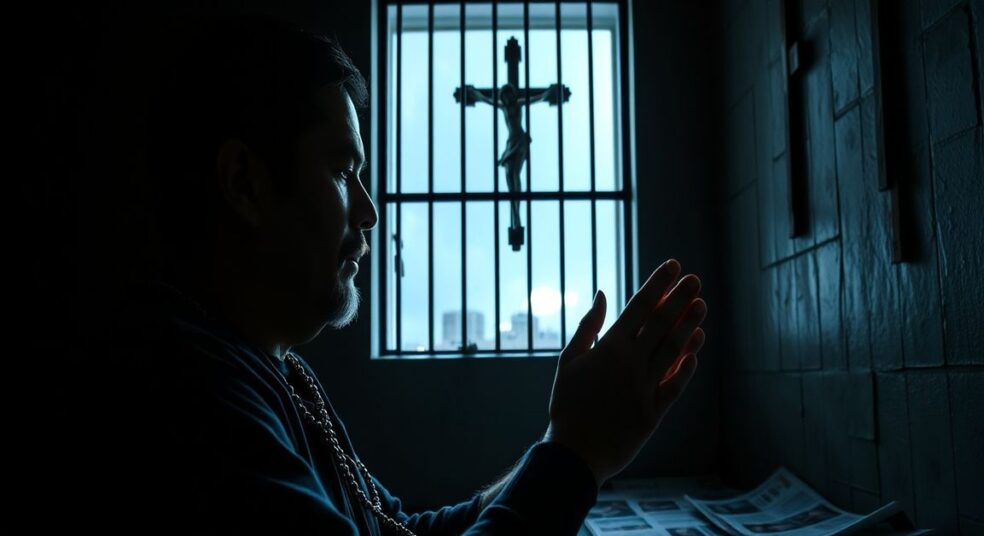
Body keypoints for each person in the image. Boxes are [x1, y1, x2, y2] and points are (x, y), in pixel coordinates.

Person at [67, 16, 707, 535]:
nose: (370, 211)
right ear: (244, 184)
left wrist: (564, 439)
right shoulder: (185, 389)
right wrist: (576, 453)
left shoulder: (275, 373)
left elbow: (401, 531)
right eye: (344, 172)